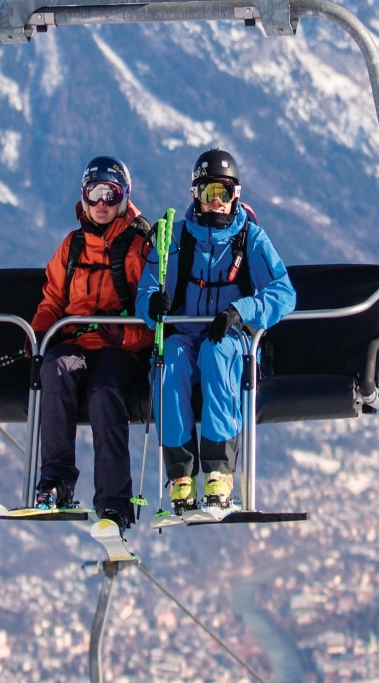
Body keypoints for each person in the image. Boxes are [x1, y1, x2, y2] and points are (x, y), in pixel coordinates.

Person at [135, 147, 295, 513]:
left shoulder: (251, 239)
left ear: (236, 195)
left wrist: (240, 311)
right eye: (209, 193)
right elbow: (147, 290)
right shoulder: (175, 239)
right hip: (185, 334)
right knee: (169, 359)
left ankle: (219, 472)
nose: (217, 202)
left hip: (229, 337)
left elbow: (284, 293)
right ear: (196, 195)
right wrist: (151, 306)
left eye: (224, 193)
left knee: (216, 351)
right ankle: (180, 475)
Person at [30, 155, 153, 525]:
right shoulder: (73, 247)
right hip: (78, 344)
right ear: (83, 197)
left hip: (120, 350)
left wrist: (124, 334)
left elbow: (152, 317)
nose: (101, 204)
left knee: (104, 389)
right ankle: (56, 481)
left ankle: (114, 500)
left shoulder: (138, 248)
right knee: (56, 368)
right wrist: (39, 337)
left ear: (124, 197)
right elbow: (53, 300)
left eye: (110, 194)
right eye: (93, 194)